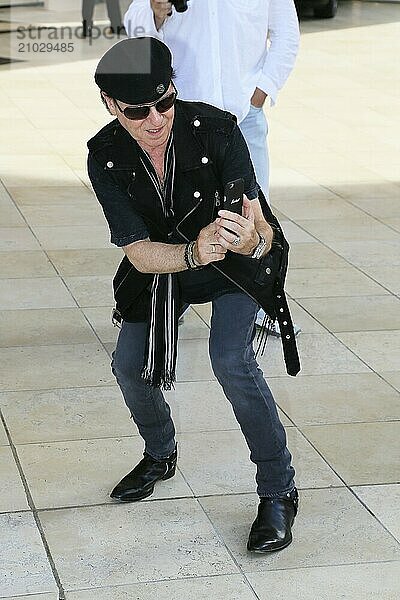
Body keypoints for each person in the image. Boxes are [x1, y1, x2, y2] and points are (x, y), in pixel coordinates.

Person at [88, 37, 300, 552]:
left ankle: (278, 489)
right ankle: (161, 453)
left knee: (230, 357)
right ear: (111, 107)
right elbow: (139, 252)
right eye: (138, 111)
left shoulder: (217, 129)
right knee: (128, 362)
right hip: (168, 264)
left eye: (165, 101)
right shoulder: (106, 154)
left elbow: (263, 229)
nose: (156, 120)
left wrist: (252, 238)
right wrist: (191, 254)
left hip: (231, 264)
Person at [124, 0, 301, 334]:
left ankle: (263, 303)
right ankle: (173, 300)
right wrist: (155, 12)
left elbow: (287, 34)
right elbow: (136, 33)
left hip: (244, 118)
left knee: (253, 214)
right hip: (182, 120)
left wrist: (262, 92)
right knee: (179, 215)